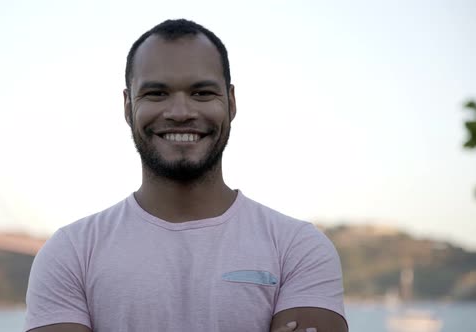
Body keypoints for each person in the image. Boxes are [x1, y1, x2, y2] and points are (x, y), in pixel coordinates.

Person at [24, 19, 348, 332]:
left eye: (202, 93)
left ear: (231, 102)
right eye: (156, 94)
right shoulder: (70, 253)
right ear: (127, 106)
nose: (180, 113)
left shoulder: (298, 248)